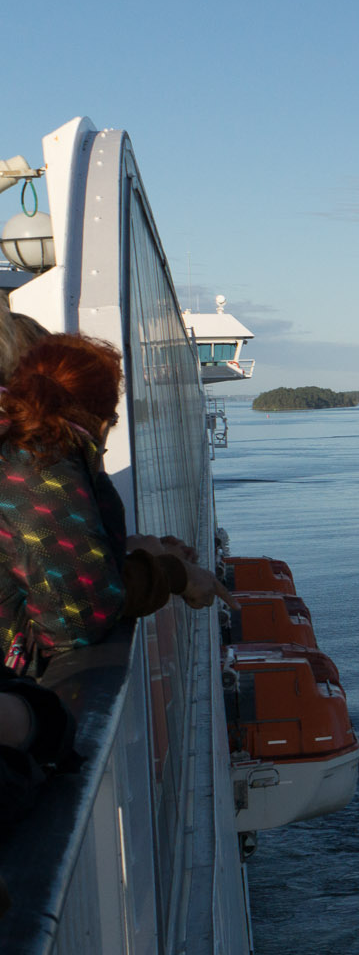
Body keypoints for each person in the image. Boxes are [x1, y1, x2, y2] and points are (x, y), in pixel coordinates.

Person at [0, 332, 232, 783]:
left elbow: (39, 552)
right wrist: (174, 575)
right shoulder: (39, 459)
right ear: (103, 418)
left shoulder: (23, 443)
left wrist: (126, 551)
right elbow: (80, 614)